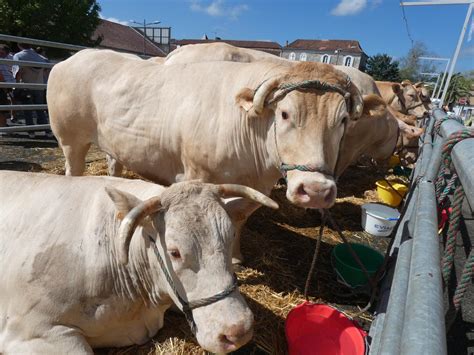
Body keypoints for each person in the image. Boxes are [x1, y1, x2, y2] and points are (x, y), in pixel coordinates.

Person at [12, 43, 49, 137]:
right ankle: (47, 131)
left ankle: (31, 131)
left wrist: (16, 85)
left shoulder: (19, 56)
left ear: (19, 46)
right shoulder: (40, 57)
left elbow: (18, 72)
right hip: (39, 85)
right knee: (40, 109)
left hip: (26, 86)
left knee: (27, 110)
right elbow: (46, 69)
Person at [0, 44, 15, 128]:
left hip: (5, 85)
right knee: (3, 106)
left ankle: (3, 125)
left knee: (3, 107)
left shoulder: (5, 59)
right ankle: (3, 125)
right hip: (4, 85)